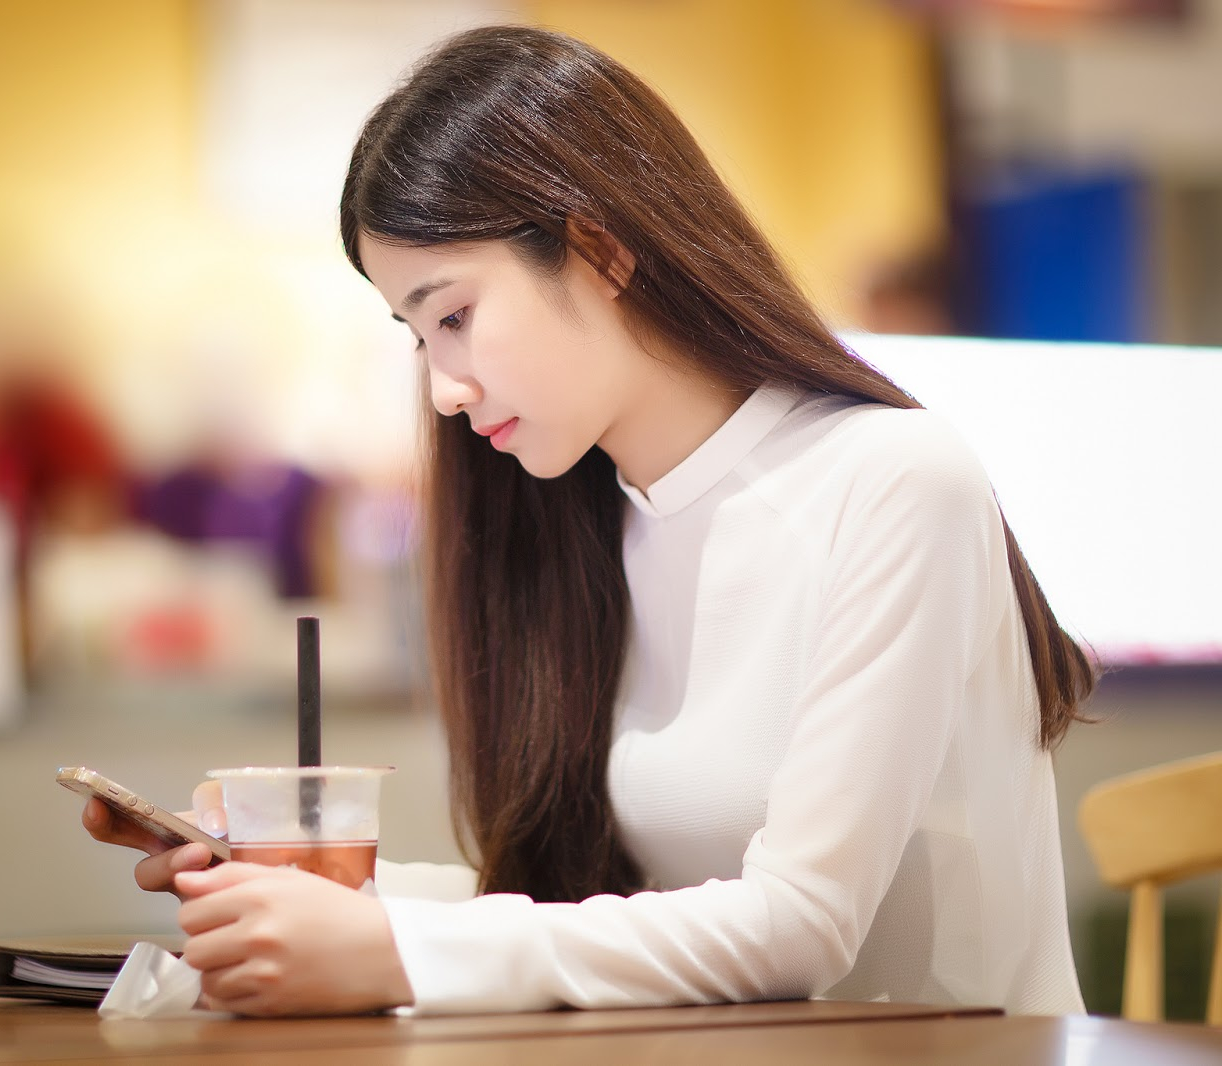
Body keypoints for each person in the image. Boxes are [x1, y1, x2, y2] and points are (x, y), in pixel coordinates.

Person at [81, 24, 1097, 1018]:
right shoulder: (591, 523)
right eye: (416, 335)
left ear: (600, 250)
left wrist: (394, 949)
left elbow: (799, 927)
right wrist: (322, 888)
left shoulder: (890, 482)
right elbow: (609, 917)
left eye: (454, 315)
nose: (441, 388)